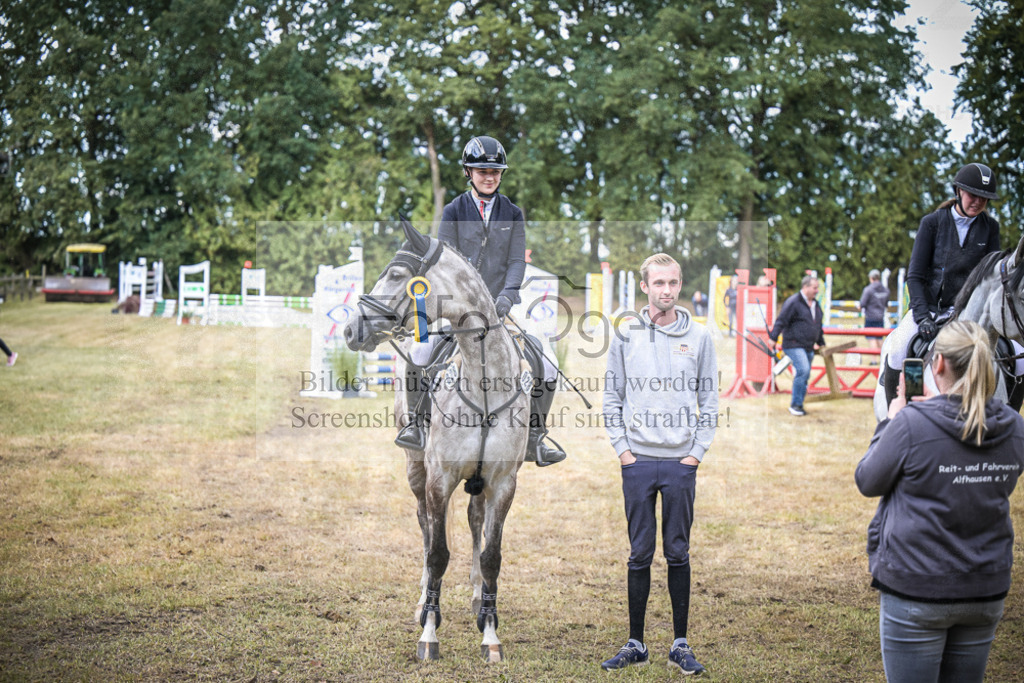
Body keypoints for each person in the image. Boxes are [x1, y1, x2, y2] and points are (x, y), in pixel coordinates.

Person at [855, 321, 1023, 683]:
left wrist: (892, 420)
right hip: (986, 587)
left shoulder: (912, 423)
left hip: (918, 586)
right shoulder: (1014, 425)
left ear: (939, 363)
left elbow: (868, 480)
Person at [395, 135, 566, 467]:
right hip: (459, 310)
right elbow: (444, 263)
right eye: (482, 171)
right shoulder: (453, 210)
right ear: (468, 172)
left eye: (495, 171)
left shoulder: (512, 213)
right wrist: (463, 304)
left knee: (548, 363)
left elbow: (517, 261)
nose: (489, 177)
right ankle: (417, 425)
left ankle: (534, 436)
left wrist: (506, 296)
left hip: (501, 309)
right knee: (420, 351)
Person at [601, 253, 719, 674]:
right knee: (639, 554)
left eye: (672, 283)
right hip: (638, 461)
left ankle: (680, 645)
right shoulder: (625, 335)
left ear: (679, 285)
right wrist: (624, 451)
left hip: (679, 463)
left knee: (677, 553)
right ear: (645, 287)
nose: (665, 290)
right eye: (658, 283)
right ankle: (636, 643)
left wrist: (694, 454)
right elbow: (611, 398)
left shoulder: (701, 337)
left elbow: (710, 401)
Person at [885, 163, 1000, 389]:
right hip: (929, 308)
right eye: (973, 195)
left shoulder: (990, 228)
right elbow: (915, 276)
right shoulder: (932, 223)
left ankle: (1005, 413)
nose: (978, 202)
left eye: (984, 198)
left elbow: (990, 279)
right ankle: (901, 407)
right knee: (899, 348)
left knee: (1016, 356)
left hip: (969, 312)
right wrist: (922, 316)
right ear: (958, 191)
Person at [769, 275, 825, 416]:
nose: (817, 290)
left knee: (804, 375)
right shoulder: (793, 302)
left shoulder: (815, 305)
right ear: (805, 287)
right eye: (814, 287)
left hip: (808, 346)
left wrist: (821, 343)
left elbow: (817, 325)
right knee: (803, 370)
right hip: (793, 344)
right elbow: (781, 320)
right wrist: (773, 337)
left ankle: (799, 402)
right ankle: (796, 405)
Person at [858, 269, 889, 352]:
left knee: (871, 338)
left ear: (871, 278)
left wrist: (859, 307)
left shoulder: (868, 289)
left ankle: (873, 360)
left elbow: (862, 304)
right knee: (879, 338)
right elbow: (886, 304)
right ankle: (884, 358)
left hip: (870, 317)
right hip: (880, 317)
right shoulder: (885, 290)